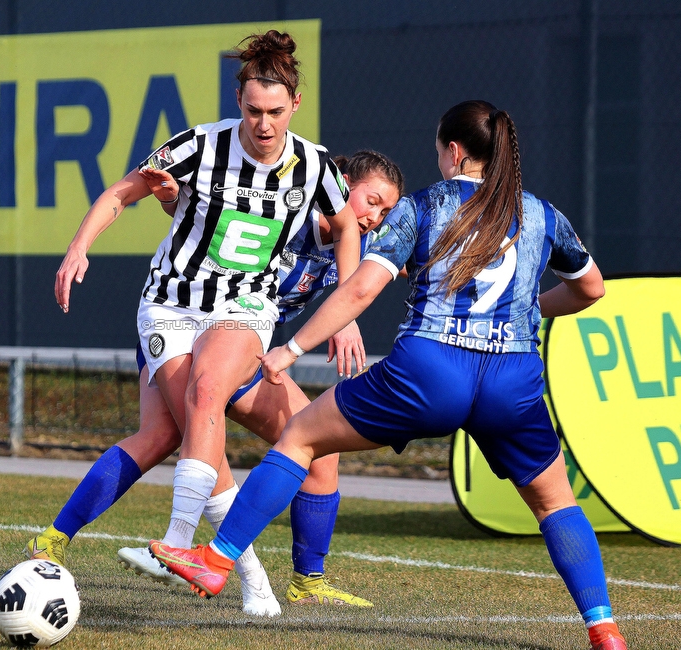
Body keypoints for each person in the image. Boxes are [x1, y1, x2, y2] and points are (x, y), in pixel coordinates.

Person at [151, 100, 627, 650]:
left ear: (452, 151)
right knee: (555, 503)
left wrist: (291, 348)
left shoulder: (425, 204)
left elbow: (360, 288)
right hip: (511, 378)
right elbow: (591, 289)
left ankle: (216, 561)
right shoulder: (543, 214)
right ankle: (603, 627)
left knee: (301, 436)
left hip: (430, 369)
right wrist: (523, 310)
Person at [41, 29, 363, 615]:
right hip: (170, 302)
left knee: (207, 392)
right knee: (187, 425)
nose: (263, 125)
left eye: (275, 112)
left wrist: (346, 310)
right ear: (237, 101)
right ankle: (253, 581)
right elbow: (123, 192)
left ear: (295, 105)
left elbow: (346, 228)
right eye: (252, 110)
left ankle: (182, 544)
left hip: (244, 307)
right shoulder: (198, 145)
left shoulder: (314, 165)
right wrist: (77, 247)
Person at [27, 151, 404, 614]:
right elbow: (205, 215)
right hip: (186, 324)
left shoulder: (362, 244)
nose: (374, 217)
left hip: (246, 347)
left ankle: (307, 580)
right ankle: (60, 540)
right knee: (172, 434)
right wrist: (171, 200)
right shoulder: (286, 203)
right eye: (371, 201)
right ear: (341, 185)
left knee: (321, 449)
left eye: (386, 211)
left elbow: (406, 260)